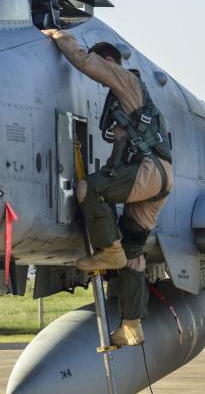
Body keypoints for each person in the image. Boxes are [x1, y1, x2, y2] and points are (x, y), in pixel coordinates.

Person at [42, 29, 173, 347]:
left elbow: (86, 63)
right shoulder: (127, 104)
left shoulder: (126, 81)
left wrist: (60, 37)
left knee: (90, 190)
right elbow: (120, 158)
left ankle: (108, 251)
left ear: (109, 60)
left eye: (105, 64)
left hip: (148, 172)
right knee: (133, 254)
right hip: (159, 178)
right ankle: (132, 326)